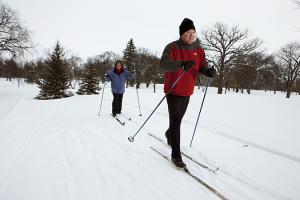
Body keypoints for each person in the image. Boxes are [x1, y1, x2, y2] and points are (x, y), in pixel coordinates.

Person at [160, 18, 216, 168]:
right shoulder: (172, 47)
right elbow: (163, 64)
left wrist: (208, 71)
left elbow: (201, 65)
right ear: (181, 33)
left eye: (193, 32)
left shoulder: (198, 49)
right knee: (176, 120)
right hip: (173, 89)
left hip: (187, 91)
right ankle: (176, 155)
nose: (191, 35)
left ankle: (169, 134)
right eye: (187, 32)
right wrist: (181, 64)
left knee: (178, 119)